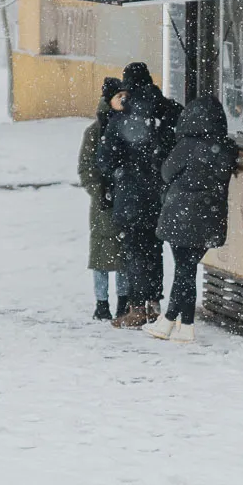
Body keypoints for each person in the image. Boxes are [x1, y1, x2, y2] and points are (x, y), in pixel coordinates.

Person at [144, 94, 237, 343]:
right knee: (187, 269)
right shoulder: (226, 148)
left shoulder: (187, 145)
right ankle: (185, 325)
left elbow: (166, 173)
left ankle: (169, 320)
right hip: (210, 219)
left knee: (184, 271)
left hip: (181, 217)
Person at [98, 62, 182, 328]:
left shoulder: (121, 118)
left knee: (135, 252)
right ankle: (155, 305)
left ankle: (137, 308)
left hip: (130, 195)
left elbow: (105, 161)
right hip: (161, 194)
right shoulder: (168, 111)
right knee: (155, 250)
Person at [77, 77, 128, 320]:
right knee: (101, 254)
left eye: (125, 96)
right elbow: (86, 168)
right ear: (109, 99)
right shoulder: (94, 131)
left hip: (126, 199)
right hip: (103, 203)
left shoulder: (129, 125)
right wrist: (100, 192)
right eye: (119, 96)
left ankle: (124, 301)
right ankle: (101, 303)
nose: (124, 100)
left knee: (124, 254)